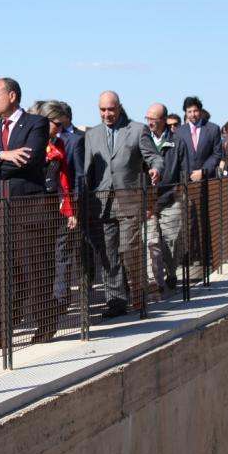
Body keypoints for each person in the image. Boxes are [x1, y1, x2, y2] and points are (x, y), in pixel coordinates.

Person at [0, 77, 49, 349]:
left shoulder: (36, 123)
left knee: (32, 270)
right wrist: (2, 155)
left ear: (11, 96)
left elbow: (30, 158)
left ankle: (45, 321)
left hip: (25, 210)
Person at [84, 91, 163, 318]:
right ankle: (116, 302)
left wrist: (155, 168)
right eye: (102, 110)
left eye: (111, 109)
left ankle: (138, 292)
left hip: (128, 199)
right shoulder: (92, 135)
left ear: (119, 107)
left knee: (128, 250)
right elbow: (88, 169)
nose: (107, 114)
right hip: (102, 203)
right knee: (108, 254)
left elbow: (154, 157)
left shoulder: (137, 130)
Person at [29, 101, 77, 319]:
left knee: (60, 256)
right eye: (56, 123)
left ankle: (59, 300)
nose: (59, 128)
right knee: (39, 260)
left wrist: (69, 210)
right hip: (33, 209)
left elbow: (64, 178)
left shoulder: (60, 143)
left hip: (54, 209)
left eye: (62, 124)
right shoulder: (31, 141)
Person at [144, 103, 189, 293]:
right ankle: (156, 282)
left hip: (171, 198)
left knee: (170, 241)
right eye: (147, 118)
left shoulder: (177, 142)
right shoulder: (143, 141)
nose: (150, 122)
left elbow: (184, 170)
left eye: (153, 119)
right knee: (152, 242)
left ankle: (171, 272)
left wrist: (181, 191)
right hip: (149, 200)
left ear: (163, 120)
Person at [174, 96, 221, 181]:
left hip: (208, 179)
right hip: (186, 180)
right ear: (186, 113)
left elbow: (216, 154)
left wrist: (202, 172)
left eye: (195, 111)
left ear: (200, 111)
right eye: (189, 112)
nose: (193, 115)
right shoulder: (179, 132)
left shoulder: (213, 129)